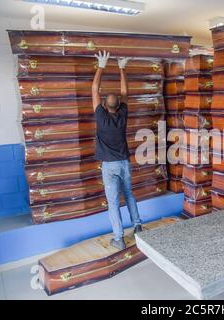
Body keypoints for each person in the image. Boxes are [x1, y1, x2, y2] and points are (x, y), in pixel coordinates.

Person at [92, 50, 142, 250]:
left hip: (110, 167)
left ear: (103, 105)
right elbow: (125, 92)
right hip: (124, 163)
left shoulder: (101, 118)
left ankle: (119, 238)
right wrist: (122, 67)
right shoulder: (123, 115)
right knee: (129, 194)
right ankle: (138, 227)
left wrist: (101, 66)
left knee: (113, 203)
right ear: (119, 105)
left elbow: (95, 88)